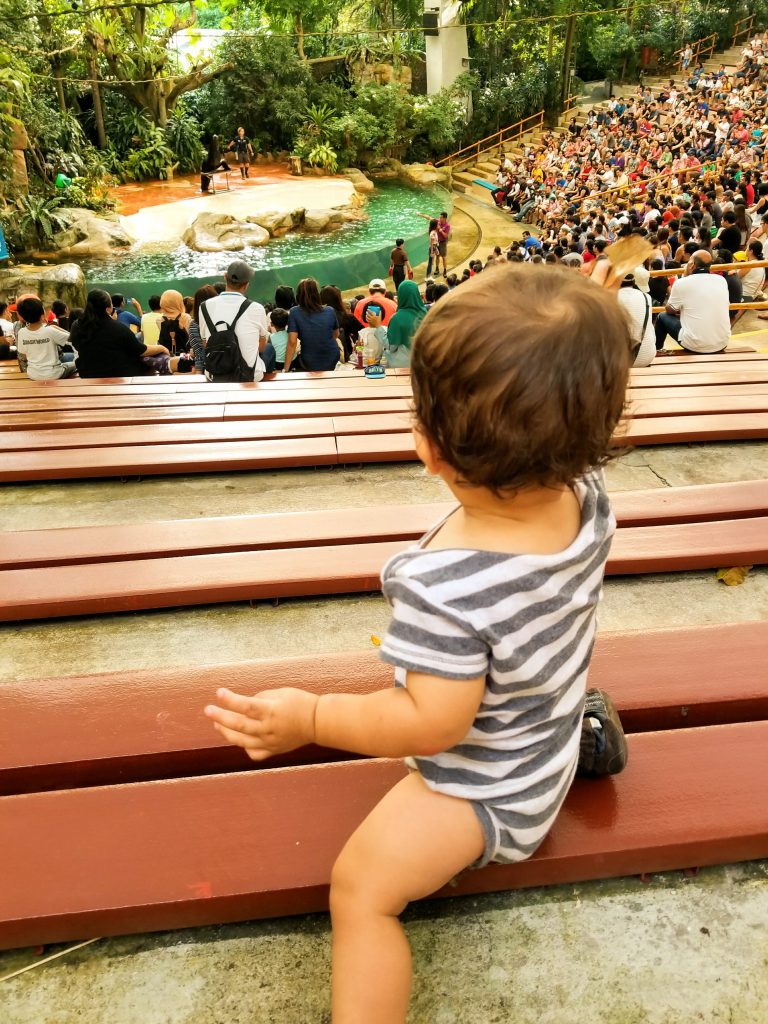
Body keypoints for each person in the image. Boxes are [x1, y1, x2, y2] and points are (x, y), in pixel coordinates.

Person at [205, 264, 633, 1024]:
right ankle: (586, 737)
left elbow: (431, 725)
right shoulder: (585, 494)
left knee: (361, 891)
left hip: (490, 790)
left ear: (430, 449)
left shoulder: (447, 586)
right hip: (548, 729)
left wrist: (310, 716)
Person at [72, 290, 171, 377]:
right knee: (147, 359)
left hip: (87, 373)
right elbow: (140, 350)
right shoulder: (117, 327)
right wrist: (162, 348)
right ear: (108, 308)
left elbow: (77, 345)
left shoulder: (76, 325)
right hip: (118, 374)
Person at [199, 260, 268, 381]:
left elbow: (206, 344)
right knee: (269, 352)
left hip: (215, 376)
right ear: (247, 284)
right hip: (249, 376)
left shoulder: (204, 306)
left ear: (225, 277)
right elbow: (261, 347)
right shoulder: (257, 308)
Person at [654, 250, 731, 353]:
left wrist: (685, 275)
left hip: (694, 345)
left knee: (662, 316)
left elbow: (669, 309)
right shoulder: (721, 280)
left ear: (692, 265)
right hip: (722, 342)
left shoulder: (682, 283)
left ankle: (656, 351)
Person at [284, 277, 341, 372]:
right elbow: (336, 334)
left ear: (299, 295)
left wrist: (285, 370)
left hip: (309, 361)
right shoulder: (330, 310)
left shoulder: (295, 312)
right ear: (317, 294)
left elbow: (292, 342)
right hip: (333, 358)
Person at [15, 296, 78, 379]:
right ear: (42, 316)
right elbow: (74, 339)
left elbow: (23, 354)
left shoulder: (21, 332)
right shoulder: (50, 331)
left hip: (33, 375)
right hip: (54, 374)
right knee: (75, 364)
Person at [617, 273, 655, 366]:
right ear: (634, 281)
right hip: (647, 357)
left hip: (620, 361)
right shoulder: (647, 297)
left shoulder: (611, 296)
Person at [320, 284, 359, 360]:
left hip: (320, 358)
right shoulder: (347, 317)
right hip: (343, 357)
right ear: (338, 299)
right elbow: (361, 334)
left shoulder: (315, 317)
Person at [187, 285, 217, 374]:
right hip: (231, 365)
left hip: (208, 369)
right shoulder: (224, 320)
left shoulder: (194, 325)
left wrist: (199, 373)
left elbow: (199, 353)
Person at [158, 289, 191, 356]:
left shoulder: (159, 320)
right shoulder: (186, 317)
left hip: (167, 354)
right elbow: (189, 337)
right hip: (184, 354)